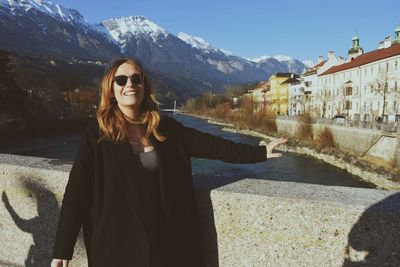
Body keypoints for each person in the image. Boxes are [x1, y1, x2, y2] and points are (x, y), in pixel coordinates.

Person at [51, 57, 288, 267]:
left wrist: (258, 153)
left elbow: (211, 145)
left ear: (145, 85)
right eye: (121, 80)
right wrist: (63, 249)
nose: (130, 84)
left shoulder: (164, 128)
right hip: (118, 248)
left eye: (136, 78)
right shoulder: (98, 135)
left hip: (167, 244)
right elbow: (77, 192)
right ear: (111, 90)